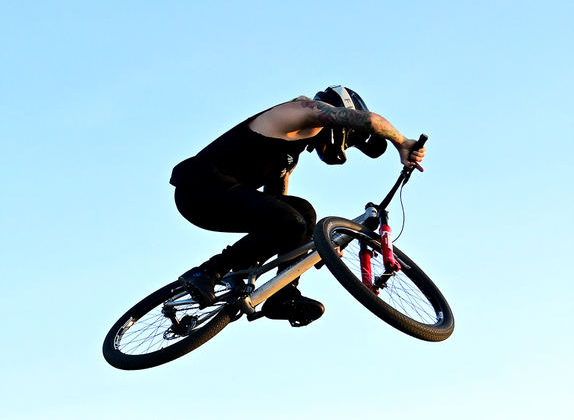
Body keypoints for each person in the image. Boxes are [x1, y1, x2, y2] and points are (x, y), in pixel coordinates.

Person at [170, 85, 426, 327]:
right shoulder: (298, 112)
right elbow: (370, 121)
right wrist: (402, 142)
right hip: (199, 189)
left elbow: (276, 199)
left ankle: (282, 294)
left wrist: (312, 246)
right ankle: (207, 272)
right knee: (291, 220)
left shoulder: (290, 153)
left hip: (220, 197)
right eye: (349, 139)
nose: (344, 147)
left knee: (303, 213)